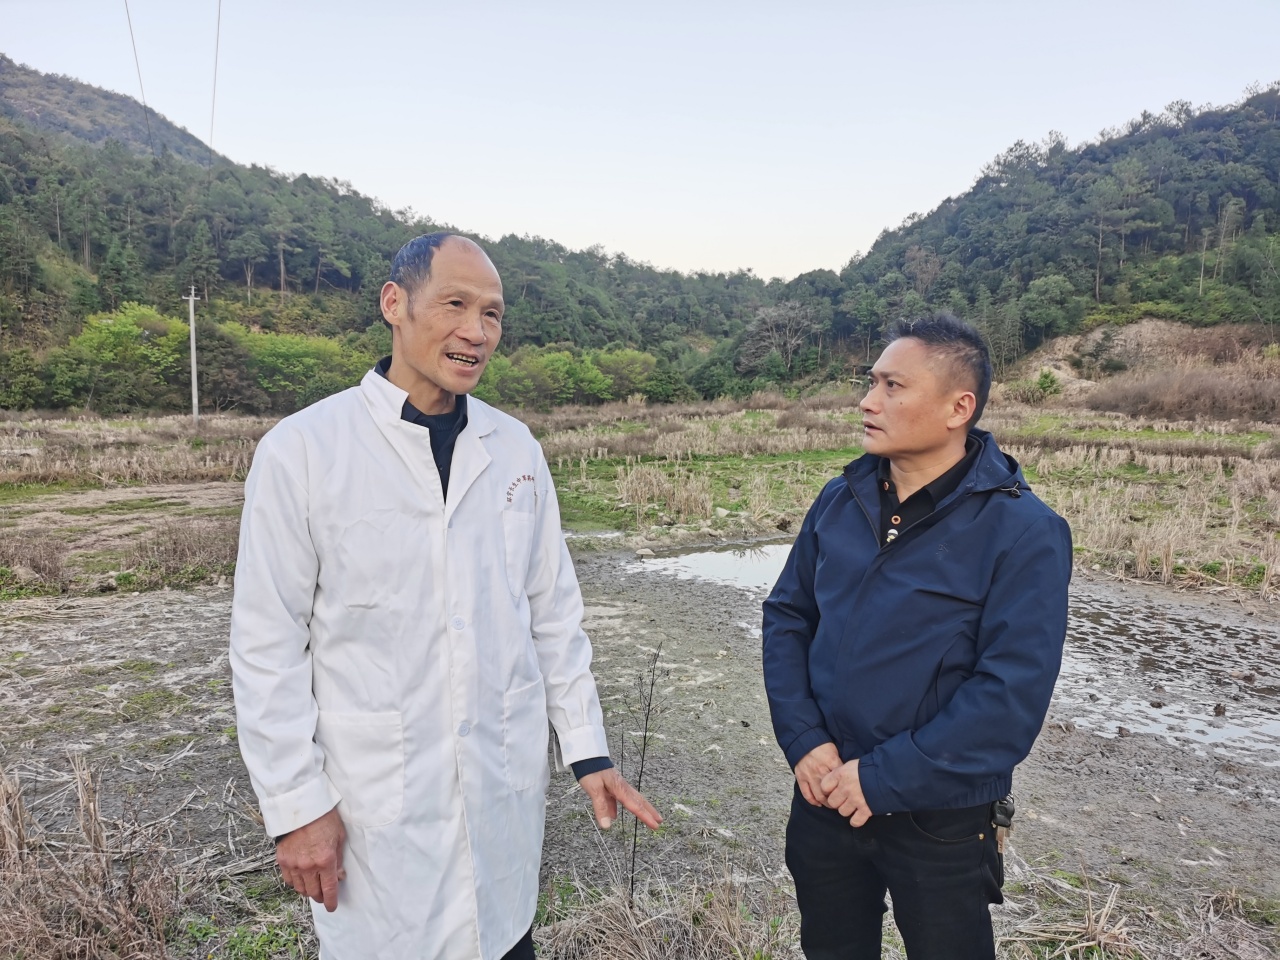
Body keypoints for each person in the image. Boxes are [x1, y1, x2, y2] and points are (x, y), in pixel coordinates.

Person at [229, 232, 661, 960]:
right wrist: (297, 807)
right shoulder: (304, 450)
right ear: (394, 304)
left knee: (502, 936)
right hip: (375, 807)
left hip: (497, 799)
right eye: (455, 304)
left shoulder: (515, 449)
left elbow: (552, 615)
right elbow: (267, 646)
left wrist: (588, 751)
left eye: (492, 314)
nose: (476, 331)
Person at [762, 313, 1072, 960]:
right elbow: (788, 618)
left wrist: (879, 778)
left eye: (893, 386)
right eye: (871, 382)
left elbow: (1008, 698)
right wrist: (804, 740)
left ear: (960, 407)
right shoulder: (839, 500)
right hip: (825, 793)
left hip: (941, 821)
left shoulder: (1024, 532)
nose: (868, 401)